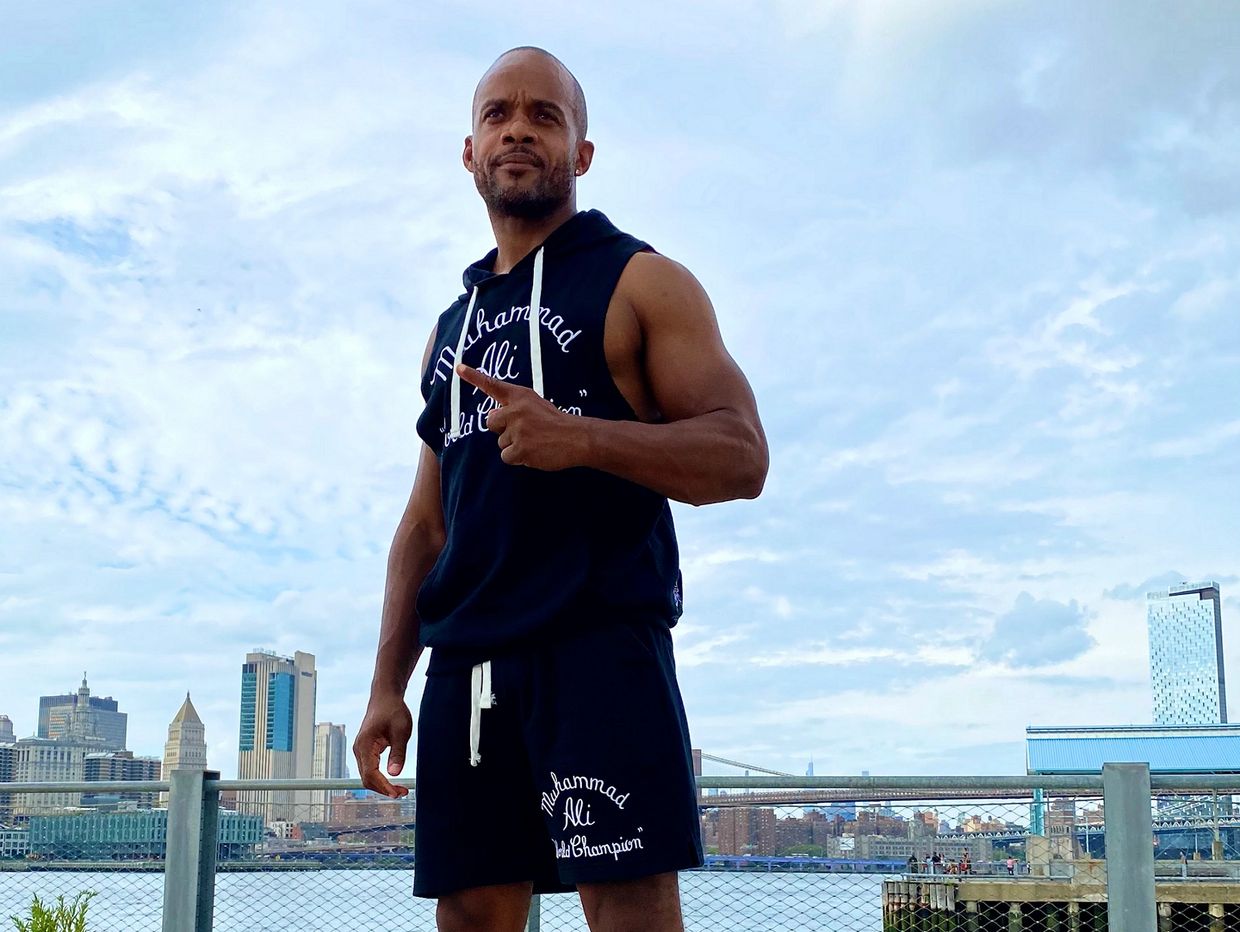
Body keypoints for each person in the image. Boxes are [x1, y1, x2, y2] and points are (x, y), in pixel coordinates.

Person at [352, 46, 768, 932]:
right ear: (468, 151)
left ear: (581, 152)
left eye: (545, 115)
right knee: (470, 916)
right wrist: (389, 683)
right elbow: (426, 524)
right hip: (467, 662)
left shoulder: (640, 280)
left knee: (627, 913)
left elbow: (741, 455)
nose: (518, 129)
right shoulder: (449, 328)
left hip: (598, 644)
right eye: (498, 114)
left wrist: (577, 437)